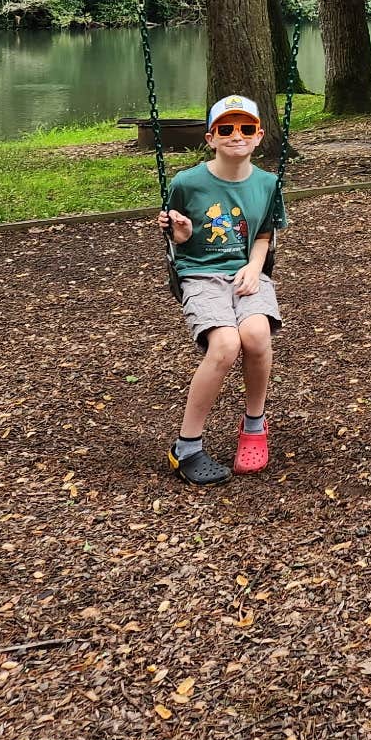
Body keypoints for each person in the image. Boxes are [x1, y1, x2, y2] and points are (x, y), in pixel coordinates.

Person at [156, 94, 287, 484]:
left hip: (247, 273)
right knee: (227, 345)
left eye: (246, 128)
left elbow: (264, 232)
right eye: (226, 129)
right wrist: (181, 234)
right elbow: (179, 235)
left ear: (259, 135)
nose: (236, 135)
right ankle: (187, 447)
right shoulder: (187, 182)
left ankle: (254, 425)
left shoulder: (267, 183)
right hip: (199, 274)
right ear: (211, 137)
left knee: (257, 335)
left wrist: (254, 264)